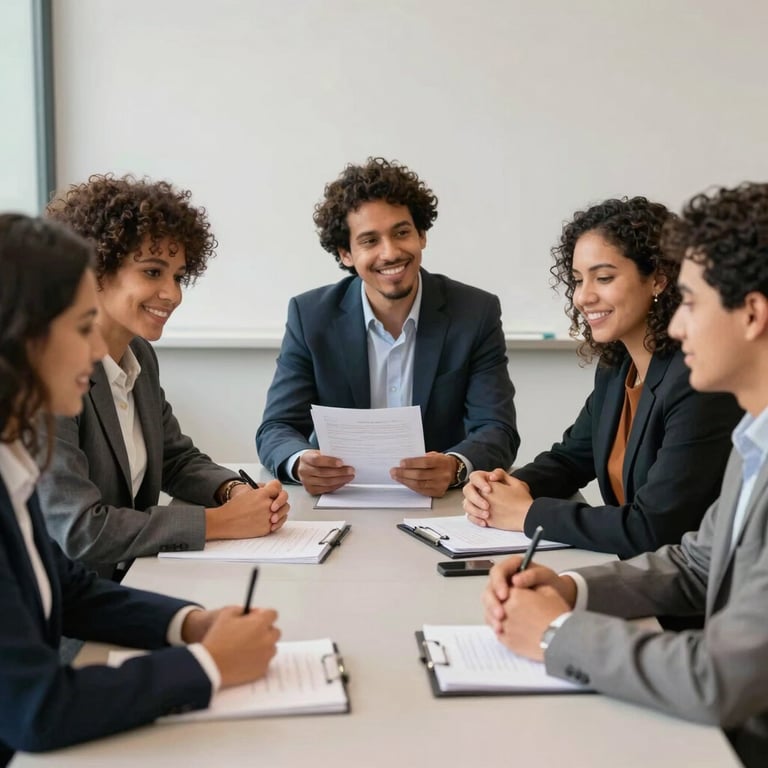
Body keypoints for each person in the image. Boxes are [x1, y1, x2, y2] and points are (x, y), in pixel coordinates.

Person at [482, 182, 768, 768]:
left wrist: (556, 633)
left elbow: (719, 678)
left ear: (753, 314)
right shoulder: (754, 438)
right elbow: (696, 563)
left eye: (691, 303)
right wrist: (571, 589)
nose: (680, 327)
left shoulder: (718, 404)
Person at [0, 214, 280, 764]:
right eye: (81, 329)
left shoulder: (12, 458)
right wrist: (209, 665)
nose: (93, 352)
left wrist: (190, 624)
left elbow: (66, 585)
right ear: (23, 336)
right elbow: (36, 709)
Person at [39, 175, 289, 580]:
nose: (173, 294)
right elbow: (81, 529)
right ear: (96, 268)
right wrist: (223, 523)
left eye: (178, 276)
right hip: (65, 617)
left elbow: (175, 459)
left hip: (131, 581)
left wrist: (234, 492)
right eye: (153, 272)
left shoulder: (139, 355)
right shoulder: (50, 374)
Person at [463, 197, 742, 557]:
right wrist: (501, 487)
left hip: (684, 598)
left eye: (604, 277)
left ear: (658, 278)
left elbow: (654, 528)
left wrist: (528, 513)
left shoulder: (698, 382)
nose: (583, 296)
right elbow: (570, 460)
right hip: (634, 574)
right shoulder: (616, 368)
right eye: (578, 280)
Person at [256, 157, 519, 498]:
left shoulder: (475, 312)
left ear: (421, 235)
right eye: (369, 241)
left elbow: (497, 429)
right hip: (340, 499)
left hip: (443, 505)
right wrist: (301, 461)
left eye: (401, 233)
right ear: (346, 254)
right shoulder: (311, 316)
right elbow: (277, 427)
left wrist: (455, 467)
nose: (390, 252)